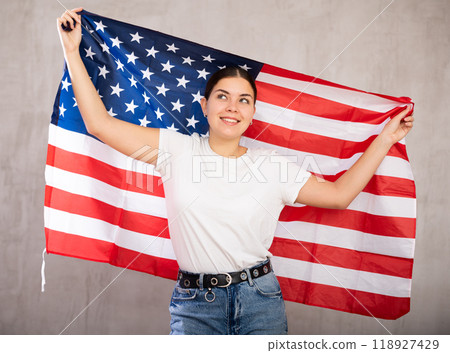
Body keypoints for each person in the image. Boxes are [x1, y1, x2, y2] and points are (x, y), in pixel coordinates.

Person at [57, 8, 414, 335]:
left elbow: (339, 196)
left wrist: (385, 138)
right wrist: (73, 52)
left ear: (253, 112)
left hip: (260, 301)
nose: (233, 107)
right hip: (195, 306)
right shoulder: (175, 149)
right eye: (222, 97)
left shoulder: (271, 166)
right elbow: (100, 124)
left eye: (244, 100)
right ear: (205, 106)